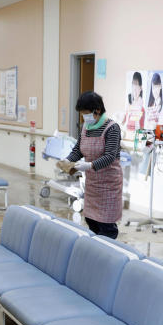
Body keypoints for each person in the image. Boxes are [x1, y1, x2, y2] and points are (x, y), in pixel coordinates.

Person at [62, 91, 123, 239]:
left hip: (109, 185)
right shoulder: (85, 128)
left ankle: (107, 255)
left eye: (86, 113)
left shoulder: (112, 128)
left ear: (98, 110)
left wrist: (89, 166)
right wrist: (67, 161)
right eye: (82, 113)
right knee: (91, 221)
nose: (84, 117)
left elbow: (110, 156)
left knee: (106, 226)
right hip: (93, 185)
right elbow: (78, 149)